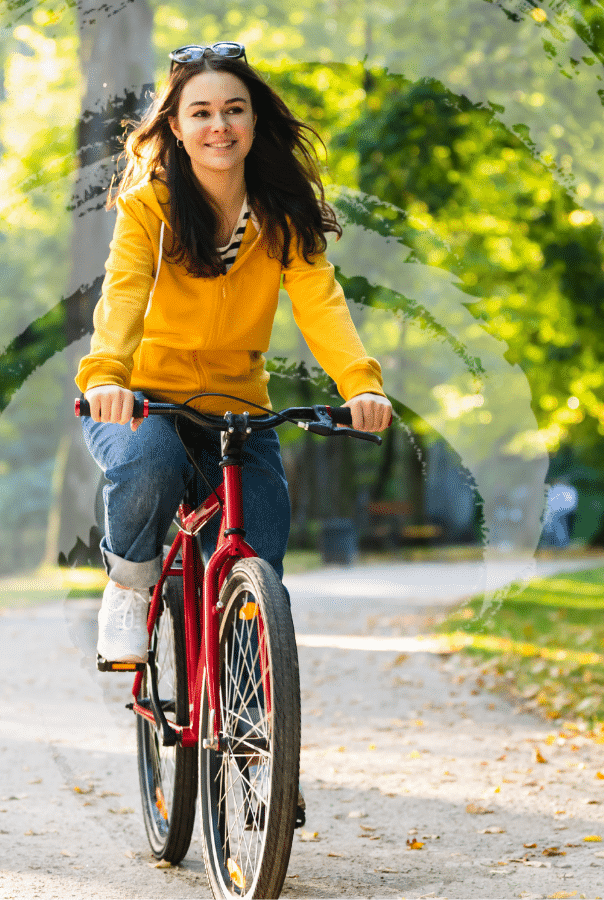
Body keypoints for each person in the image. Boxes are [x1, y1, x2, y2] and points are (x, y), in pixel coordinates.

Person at [76, 42, 392, 664]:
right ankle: (130, 588)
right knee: (151, 462)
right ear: (176, 126)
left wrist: (361, 384)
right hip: (142, 401)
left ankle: (247, 692)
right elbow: (124, 292)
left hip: (236, 407)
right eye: (200, 113)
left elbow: (321, 304)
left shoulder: (283, 215)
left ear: (253, 120)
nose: (218, 125)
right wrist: (109, 375)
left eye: (234, 109)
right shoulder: (148, 208)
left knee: (260, 546)